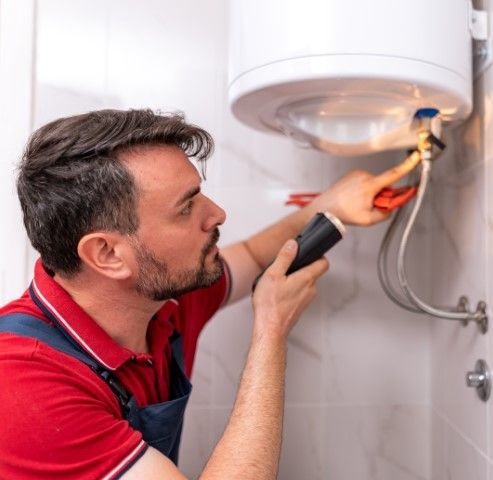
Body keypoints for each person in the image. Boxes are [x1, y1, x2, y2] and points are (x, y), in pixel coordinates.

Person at [0, 109, 417, 479]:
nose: (217, 214)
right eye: (187, 206)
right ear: (107, 254)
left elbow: (253, 255)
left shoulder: (159, 299)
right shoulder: (23, 389)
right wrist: (270, 330)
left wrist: (327, 208)